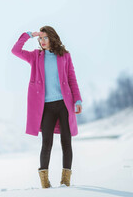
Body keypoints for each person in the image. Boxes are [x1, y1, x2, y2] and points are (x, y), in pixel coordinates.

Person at [11, 26, 83, 188]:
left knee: (66, 141)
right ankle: (44, 181)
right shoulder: (35, 57)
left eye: (45, 38)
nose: (42, 41)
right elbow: (15, 50)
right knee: (47, 143)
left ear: (52, 37)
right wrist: (29, 35)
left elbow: (72, 79)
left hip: (64, 104)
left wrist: (77, 100)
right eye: (40, 39)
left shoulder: (65, 56)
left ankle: (66, 180)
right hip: (46, 107)